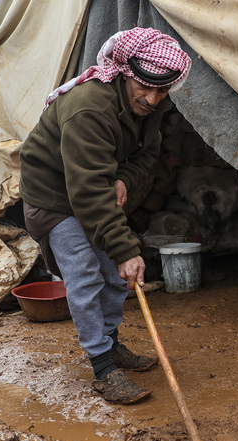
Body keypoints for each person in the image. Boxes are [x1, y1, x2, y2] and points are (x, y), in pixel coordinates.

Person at [19, 27, 192, 404]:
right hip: (53, 198)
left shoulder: (151, 107)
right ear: (126, 73)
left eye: (162, 90)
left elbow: (147, 154)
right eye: (144, 87)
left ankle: (111, 345)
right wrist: (126, 250)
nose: (152, 98)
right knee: (84, 275)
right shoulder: (90, 107)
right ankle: (102, 368)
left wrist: (122, 177)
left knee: (114, 276)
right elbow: (87, 191)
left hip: (91, 188)